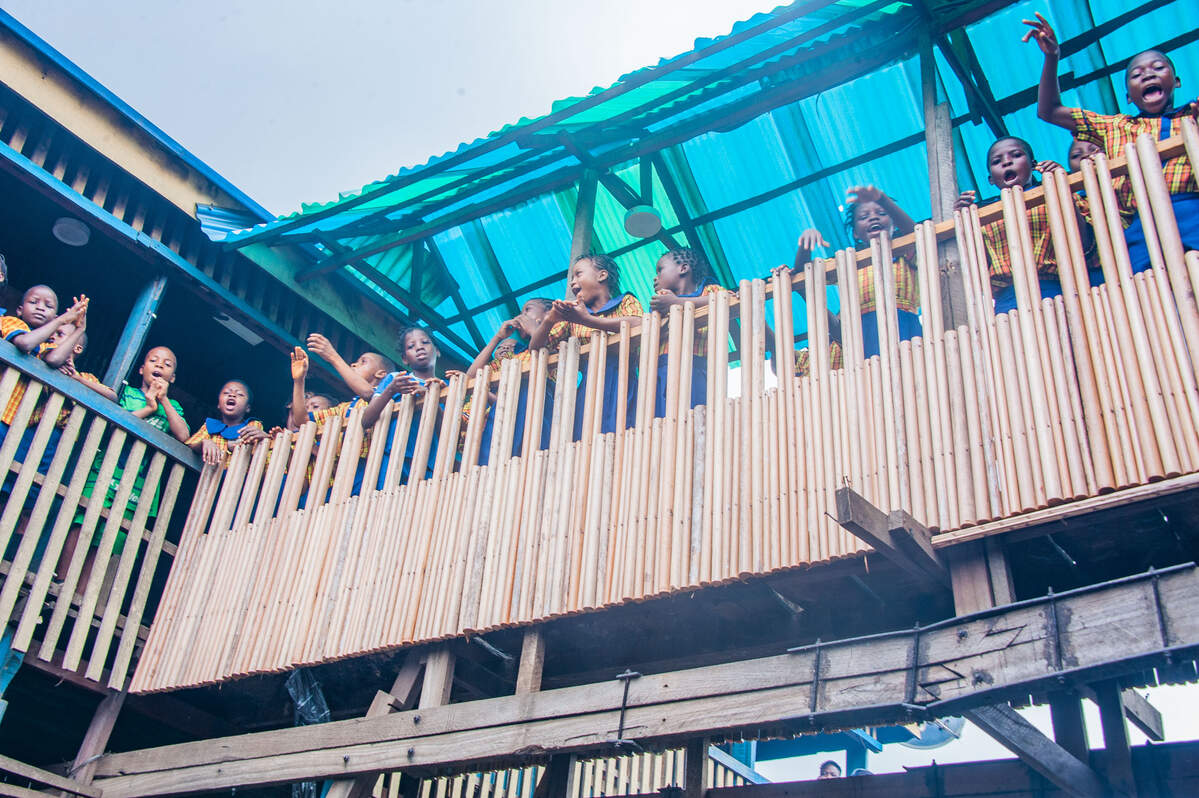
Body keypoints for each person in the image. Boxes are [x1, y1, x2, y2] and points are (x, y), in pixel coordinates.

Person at [1025, 13, 1199, 272]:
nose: (1147, 75)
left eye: (1158, 68)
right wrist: (1052, 57)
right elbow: (1049, 111)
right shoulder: (1114, 126)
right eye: (1136, 74)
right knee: (1151, 287)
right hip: (1142, 226)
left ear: (1176, 82)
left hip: (1194, 211)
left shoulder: (1194, 116)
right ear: (1128, 96)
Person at [956, 137, 1092, 312]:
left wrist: (1060, 186)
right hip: (1008, 302)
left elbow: (1084, 244)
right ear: (991, 179)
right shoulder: (983, 215)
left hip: (1056, 291)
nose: (1007, 162)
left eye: (1016, 155)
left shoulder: (1053, 195)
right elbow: (979, 266)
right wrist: (963, 221)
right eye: (997, 161)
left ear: (1033, 164)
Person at [794, 186, 920, 359]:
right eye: (863, 217)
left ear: (894, 223)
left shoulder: (905, 254)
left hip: (905, 330)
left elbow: (916, 234)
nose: (873, 217)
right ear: (855, 233)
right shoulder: (848, 263)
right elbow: (803, 273)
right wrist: (805, 245)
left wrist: (882, 199)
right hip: (862, 336)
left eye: (882, 213)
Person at [528, 253, 644, 437]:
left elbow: (639, 324)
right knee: (586, 436)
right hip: (588, 389)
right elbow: (535, 349)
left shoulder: (624, 301)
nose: (572, 282)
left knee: (622, 431)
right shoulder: (572, 317)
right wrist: (550, 320)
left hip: (623, 382)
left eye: (578, 274)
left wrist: (587, 320)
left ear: (602, 275)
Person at [465, 298, 555, 465]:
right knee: (494, 463)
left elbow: (541, 346)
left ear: (548, 312)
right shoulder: (514, 357)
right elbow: (469, 378)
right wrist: (498, 337)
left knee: (531, 460)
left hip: (537, 412)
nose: (521, 316)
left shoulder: (558, 336)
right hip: (503, 419)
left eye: (527, 310)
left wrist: (535, 327)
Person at [648, 248, 729, 417]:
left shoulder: (709, 290)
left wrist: (677, 302)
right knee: (663, 418)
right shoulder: (660, 302)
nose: (655, 277)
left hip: (695, 366)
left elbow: (726, 298)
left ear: (683, 268)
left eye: (660, 270)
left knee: (694, 415)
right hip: (661, 370)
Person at [359, 326, 443, 487]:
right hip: (392, 457)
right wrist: (391, 389)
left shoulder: (445, 387)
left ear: (437, 351)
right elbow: (366, 420)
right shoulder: (396, 379)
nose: (419, 347)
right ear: (405, 359)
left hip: (428, 464)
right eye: (411, 346)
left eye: (425, 342)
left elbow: (447, 431)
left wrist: (429, 398)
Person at [185, 380, 268, 466]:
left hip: (238, 472)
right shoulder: (210, 426)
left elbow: (253, 447)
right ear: (218, 405)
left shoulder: (252, 425)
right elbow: (191, 444)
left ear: (248, 408)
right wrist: (204, 442)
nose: (232, 395)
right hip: (210, 473)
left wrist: (266, 438)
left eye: (240, 394)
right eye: (226, 393)